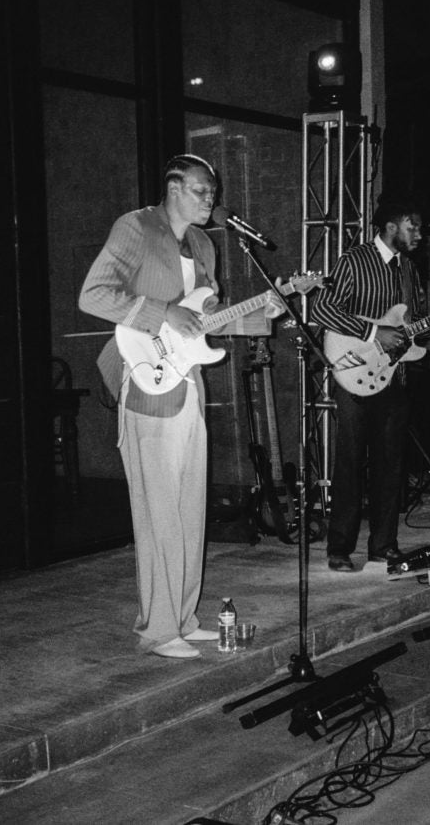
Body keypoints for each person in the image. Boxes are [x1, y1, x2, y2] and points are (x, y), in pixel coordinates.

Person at [78, 153, 284, 659]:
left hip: (188, 382)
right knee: (157, 514)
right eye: (200, 190)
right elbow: (94, 294)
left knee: (190, 508)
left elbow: (207, 318)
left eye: (212, 192)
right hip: (146, 381)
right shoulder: (136, 228)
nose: (209, 199)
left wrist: (264, 312)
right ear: (173, 187)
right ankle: (158, 629)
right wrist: (160, 310)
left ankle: (185, 618)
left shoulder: (204, 243)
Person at [312, 197, 430, 572]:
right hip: (353, 375)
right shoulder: (354, 260)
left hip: (394, 377)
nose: (419, 233)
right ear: (391, 226)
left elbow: (411, 331)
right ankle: (340, 548)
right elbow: (322, 309)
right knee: (349, 463)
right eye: (412, 226)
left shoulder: (410, 271)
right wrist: (372, 331)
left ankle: (383, 545)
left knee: (391, 466)